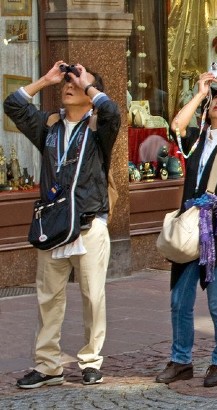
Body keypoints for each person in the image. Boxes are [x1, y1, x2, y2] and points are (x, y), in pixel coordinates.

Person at [5, 62, 120, 389]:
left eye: (78, 83)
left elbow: (112, 111)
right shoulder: (50, 125)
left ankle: (90, 361)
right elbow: (12, 105)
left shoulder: (99, 128)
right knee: (48, 299)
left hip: (89, 225)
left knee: (92, 297)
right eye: (68, 82)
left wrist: (89, 84)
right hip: (54, 225)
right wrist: (45, 80)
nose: (70, 85)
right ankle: (48, 365)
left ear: (90, 92)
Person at [154, 61, 217, 388]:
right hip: (188, 229)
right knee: (179, 301)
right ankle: (181, 360)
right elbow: (177, 125)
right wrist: (200, 94)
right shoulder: (198, 137)